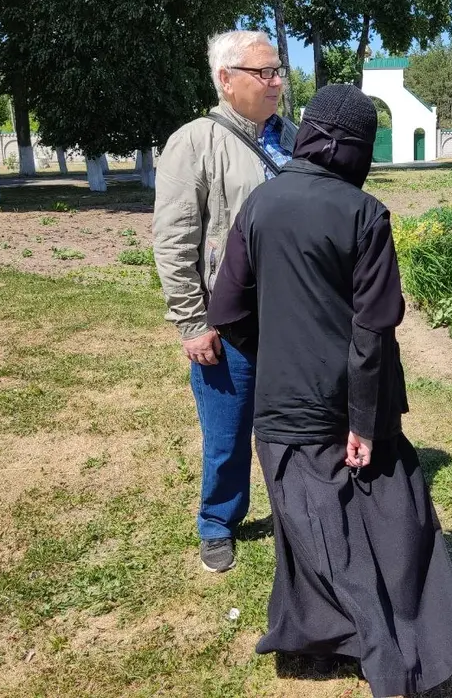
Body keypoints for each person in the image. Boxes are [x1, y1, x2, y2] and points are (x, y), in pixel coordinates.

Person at [207, 84, 452, 697]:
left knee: (310, 528)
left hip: (282, 410)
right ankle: (394, 662)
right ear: (350, 147)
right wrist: (361, 422)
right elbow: (374, 328)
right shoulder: (364, 214)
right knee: (375, 531)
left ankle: (324, 638)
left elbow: (227, 310)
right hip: (354, 405)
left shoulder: (258, 205)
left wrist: (274, 354)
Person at [152, 30, 296, 573]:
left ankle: (297, 510)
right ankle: (218, 520)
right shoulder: (194, 142)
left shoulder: (295, 137)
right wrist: (192, 322)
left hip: (292, 315)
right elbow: (174, 239)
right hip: (228, 318)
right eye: (263, 73)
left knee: (292, 423)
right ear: (225, 80)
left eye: (278, 70)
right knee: (227, 430)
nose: (276, 81)